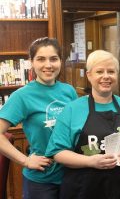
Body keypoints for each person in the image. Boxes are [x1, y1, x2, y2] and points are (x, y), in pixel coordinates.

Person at [45, 50, 120, 199]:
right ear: (89, 75)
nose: (106, 76)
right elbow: (58, 152)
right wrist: (90, 161)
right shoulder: (73, 109)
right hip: (83, 189)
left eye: (111, 71)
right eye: (99, 71)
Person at [0, 37, 78, 199]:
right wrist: (26, 161)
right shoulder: (22, 96)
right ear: (31, 63)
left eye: (53, 59)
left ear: (60, 61)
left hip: (72, 174)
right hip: (42, 180)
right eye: (41, 59)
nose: (48, 65)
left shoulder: (69, 91)